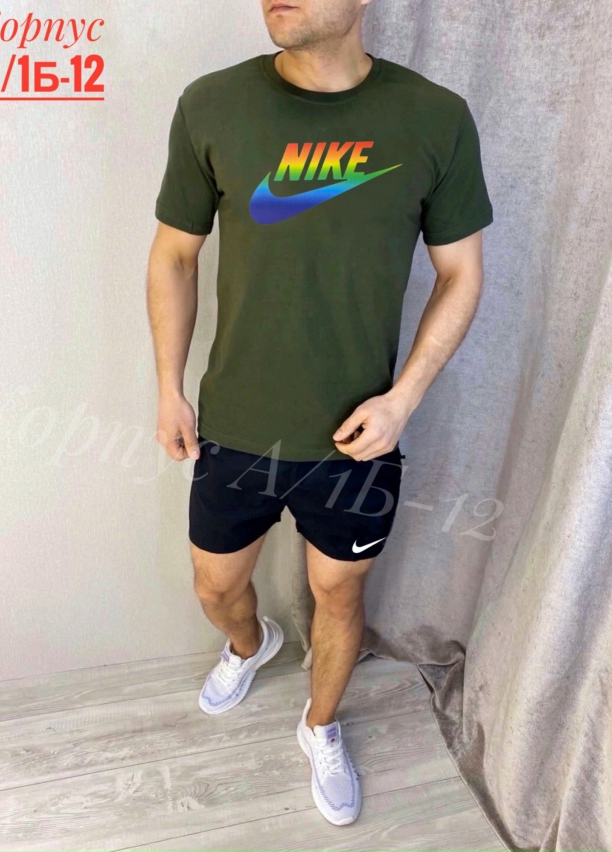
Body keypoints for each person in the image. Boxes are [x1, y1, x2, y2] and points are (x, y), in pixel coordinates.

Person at [146, 0, 493, 827]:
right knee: (216, 586)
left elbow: (462, 274)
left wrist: (404, 399)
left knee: (338, 596)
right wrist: (168, 385)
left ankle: (321, 724)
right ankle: (251, 644)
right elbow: (174, 256)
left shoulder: (434, 117)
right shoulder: (212, 105)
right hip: (237, 424)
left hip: (357, 441)